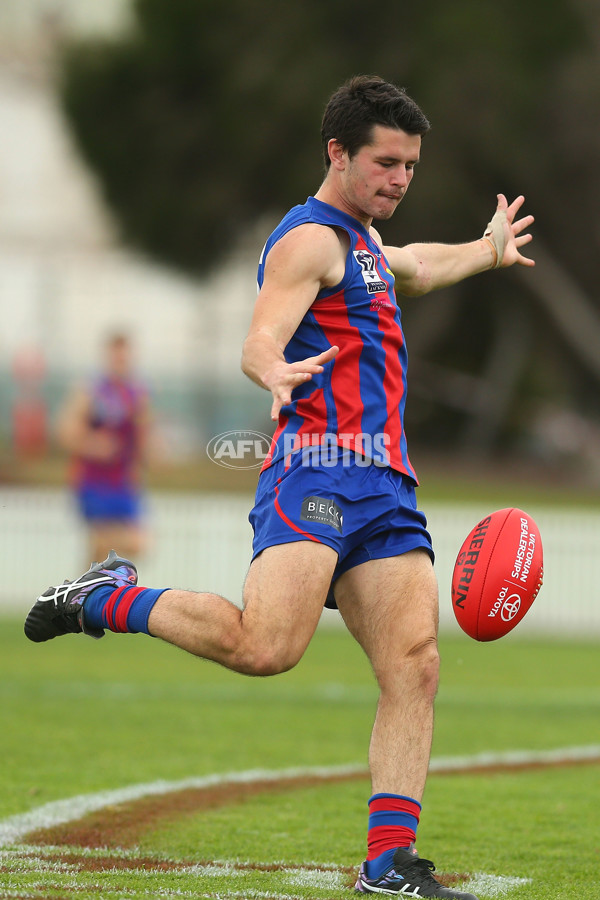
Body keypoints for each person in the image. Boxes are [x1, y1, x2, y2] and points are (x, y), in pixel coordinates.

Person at [24, 76, 534, 898]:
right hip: (317, 468)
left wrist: (485, 250)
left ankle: (389, 863)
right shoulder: (310, 241)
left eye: (410, 165)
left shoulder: (366, 242)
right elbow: (259, 335)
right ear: (337, 152)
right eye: (385, 162)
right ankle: (108, 596)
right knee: (266, 647)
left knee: (416, 665)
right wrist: (273, 365)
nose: (401, 178)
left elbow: (419, 267)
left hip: (387, 485)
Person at [56, 332, 153, 563]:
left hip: (124, 482)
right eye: (117, 355)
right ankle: (85, 595)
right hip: (93, 481)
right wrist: (92, 444)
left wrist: (149, 454)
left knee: (136, 545)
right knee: (101, 547)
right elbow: (64, 431)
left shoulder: (136, 393)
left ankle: (80, 594)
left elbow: (143, 438)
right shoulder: (91, 390)